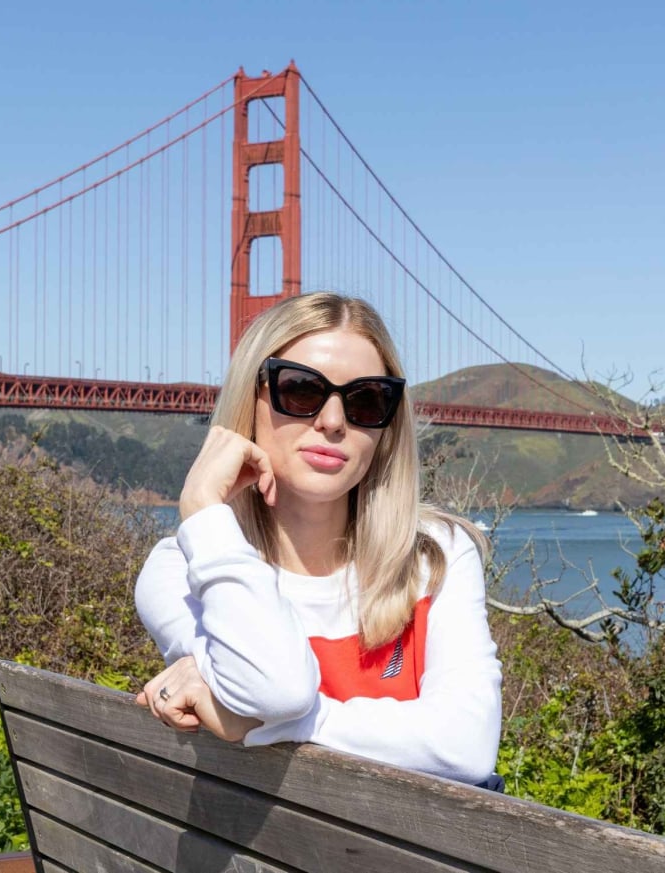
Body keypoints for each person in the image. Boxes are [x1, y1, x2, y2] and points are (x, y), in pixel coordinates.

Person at [133, 291, 502, 787]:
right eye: (302, 390)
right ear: (251, 398)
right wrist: (203, 509)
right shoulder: (180, 570)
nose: (332, 421)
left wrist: (284, 726)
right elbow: (277, 692)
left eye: (366, 400)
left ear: (387, 428)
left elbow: (467, 747)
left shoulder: (436, 555)